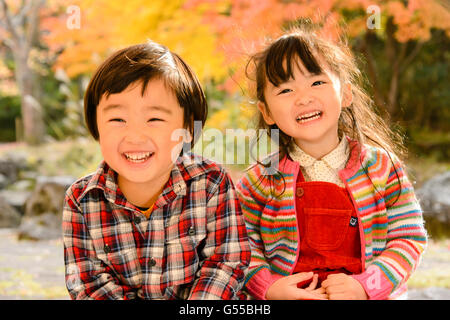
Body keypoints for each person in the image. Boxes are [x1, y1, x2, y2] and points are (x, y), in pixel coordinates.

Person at [235, 26, 427, 300]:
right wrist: (269, 288)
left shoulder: (381, 167)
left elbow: (408, 238)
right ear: (266, 112)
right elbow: (241, 246)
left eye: (317, 82)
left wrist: (366, 286)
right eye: (286, 89)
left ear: (346, 94)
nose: (304, 98)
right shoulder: (259, 180)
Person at [62, 41, 250, 300]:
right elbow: (88, 282)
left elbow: (226, 262)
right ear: (96, 125)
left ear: (186, 127)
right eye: (117, 119)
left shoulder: (211, 182)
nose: (135, 136)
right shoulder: (81, 199)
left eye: (155, 119)